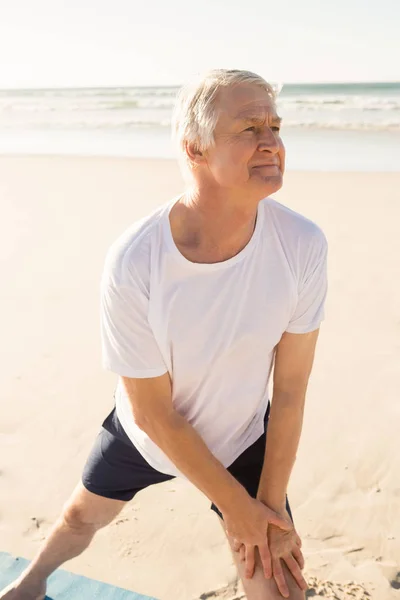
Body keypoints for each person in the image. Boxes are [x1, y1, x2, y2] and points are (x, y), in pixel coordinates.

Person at [1, 69, 328, 600]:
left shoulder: (303, 244)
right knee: (81, 518)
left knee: (280, 585)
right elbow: (154, 413)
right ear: (195, 149)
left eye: (275, 125)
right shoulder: (136, 260)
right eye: (248, 128)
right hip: (149, 436)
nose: (271, 142)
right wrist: (237, 508)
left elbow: (289, 393)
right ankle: (31, 584)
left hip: (244, 437)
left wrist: (263, 510)